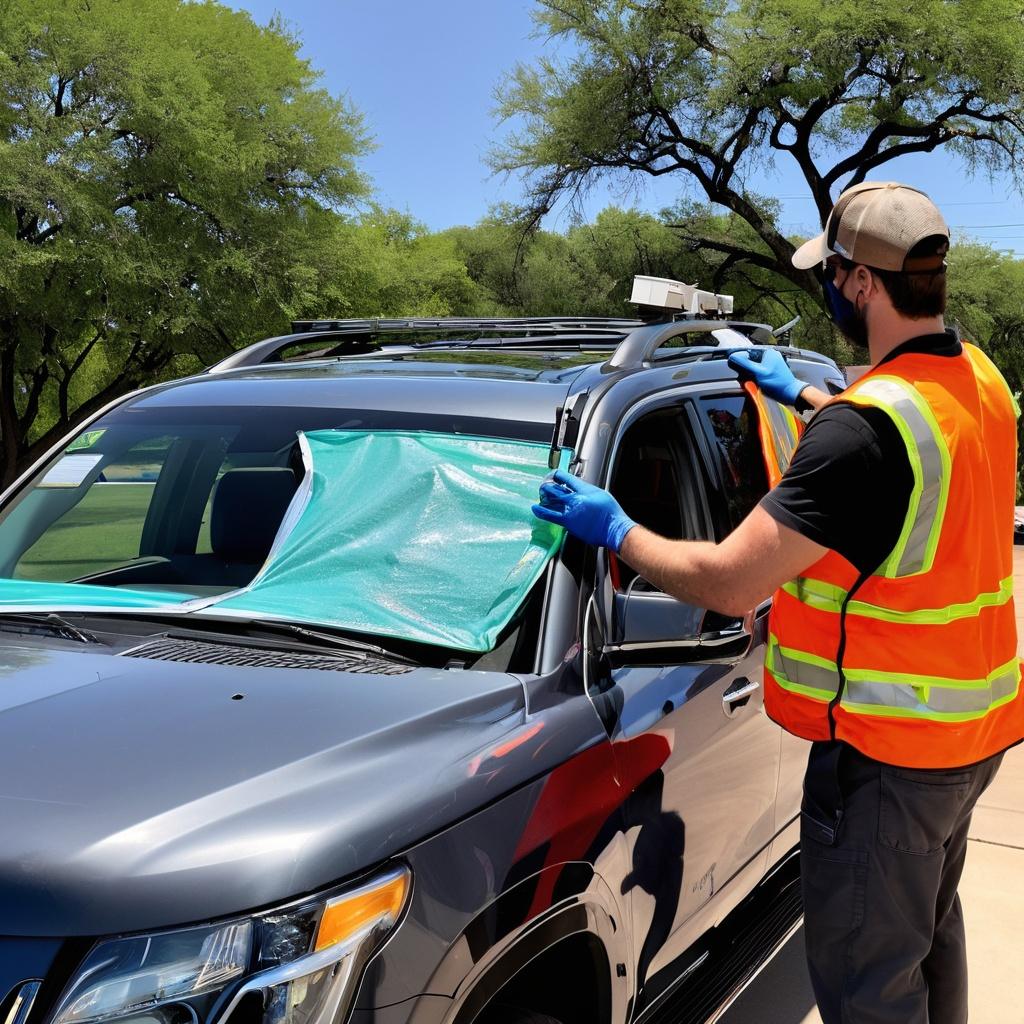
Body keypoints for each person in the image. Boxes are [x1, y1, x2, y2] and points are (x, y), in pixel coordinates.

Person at [533, 181, 1023, 1024]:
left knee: (872, 988)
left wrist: (616, 530)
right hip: (968, 738)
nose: (827, 287)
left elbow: (729, 582)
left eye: (832, 271)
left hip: (884, 761)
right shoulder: (978, 383)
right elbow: (901, 455)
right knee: (927, 943)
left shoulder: (863, 431)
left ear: (863, 284)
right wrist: (803, 397)